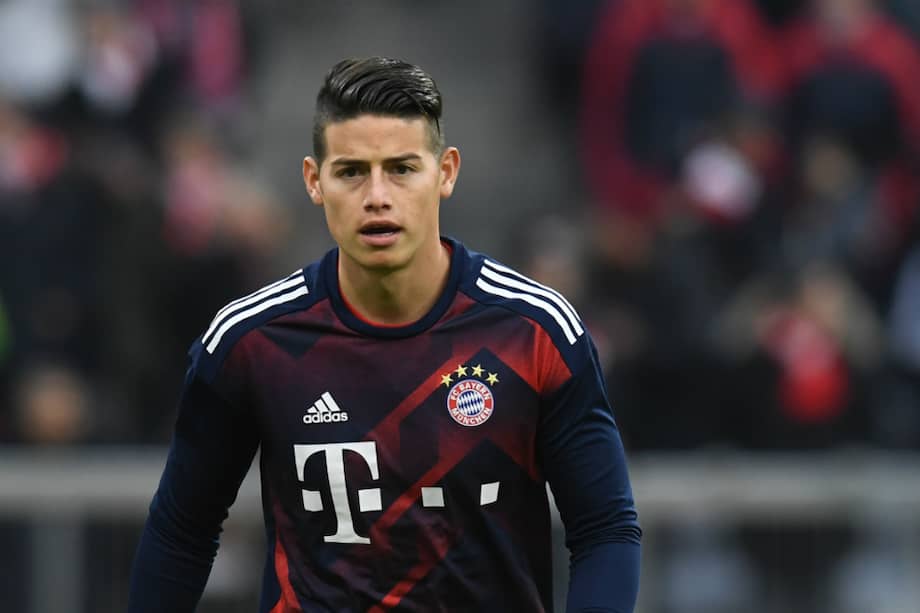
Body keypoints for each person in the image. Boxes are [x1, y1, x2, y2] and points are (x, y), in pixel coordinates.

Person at [127, 56, 641, 612]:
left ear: (445, 173)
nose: (377, 195)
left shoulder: (534, 330)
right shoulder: (252, 340)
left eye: (401, 168)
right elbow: (182, 531)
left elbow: (605, 527)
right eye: (351, 171)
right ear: (313, 181)